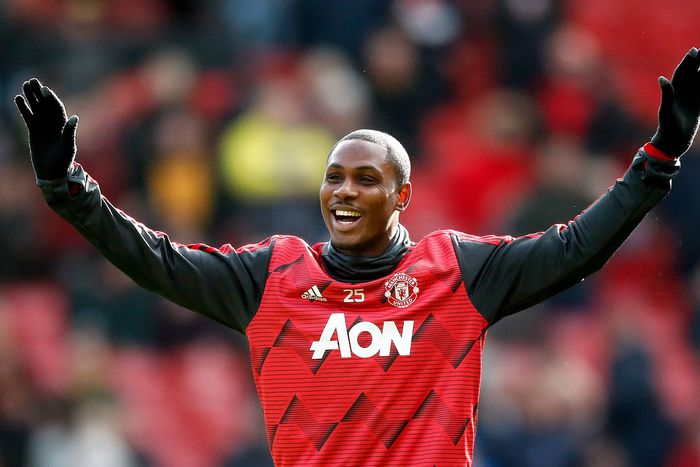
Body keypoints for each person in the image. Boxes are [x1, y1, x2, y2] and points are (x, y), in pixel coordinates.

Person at [15, 48, 700, 467]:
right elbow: (155, 260)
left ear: (402, 195)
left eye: (365, 179)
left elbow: (577, 247)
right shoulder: (272, 276)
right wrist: (68, 187)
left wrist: (659, 158)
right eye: (334, 177)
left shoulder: (456, 271)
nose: (343, 190)